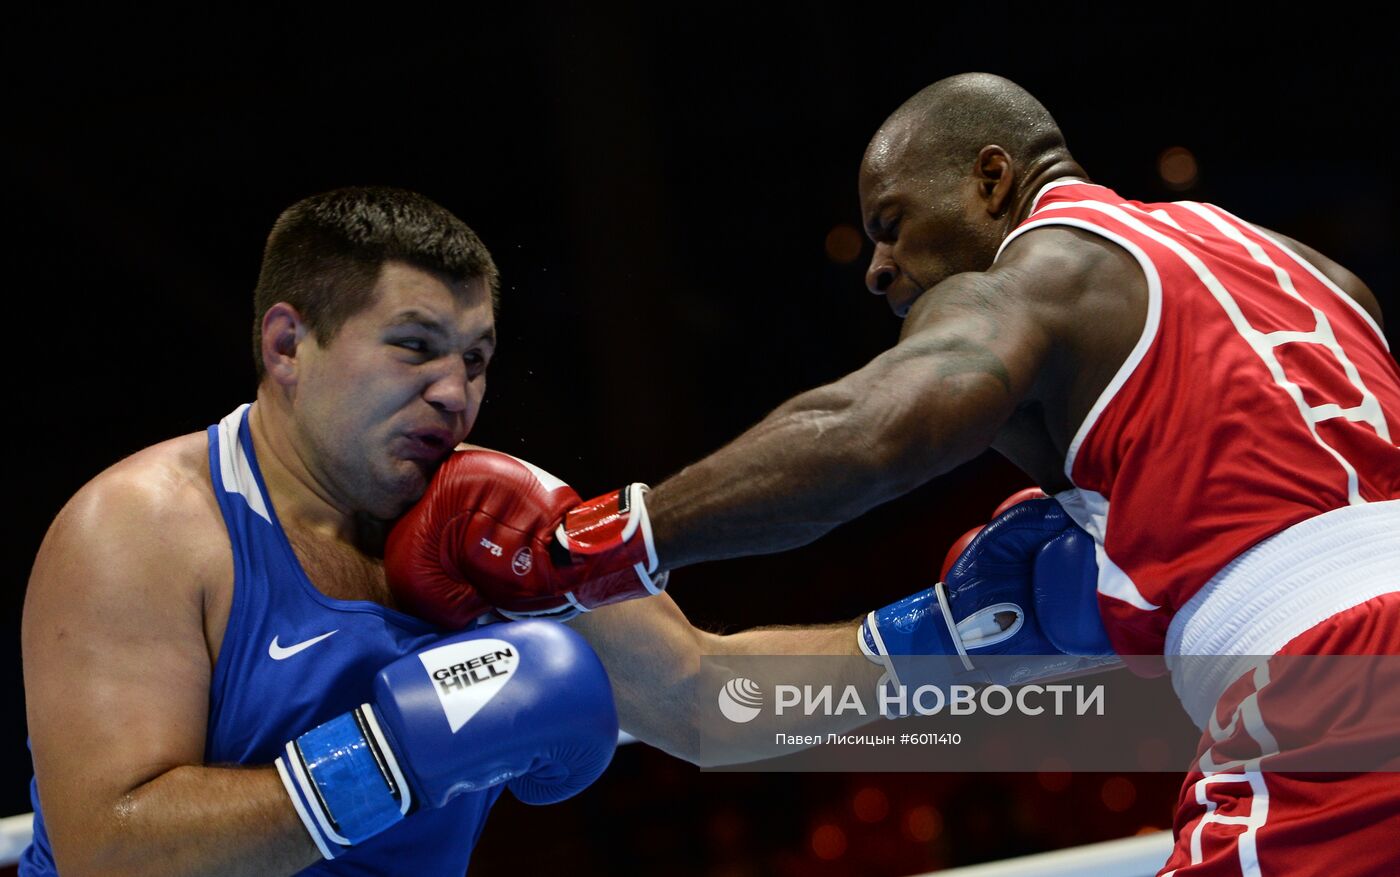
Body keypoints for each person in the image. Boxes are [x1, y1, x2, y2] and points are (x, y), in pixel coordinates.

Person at [404, 74, 1400, 876]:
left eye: (889, 222)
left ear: (991, 180)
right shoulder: (1301, 274)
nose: (875, 268)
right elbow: (722, 703)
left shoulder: (1043, 273)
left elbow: (865, 430)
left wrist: (605, 540)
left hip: (1332, 698)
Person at [19, 188, 624, 876]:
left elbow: (705, 701)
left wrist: (750, 508)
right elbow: (107, 852)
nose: (455, 392)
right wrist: (390, 760)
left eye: (475, 360)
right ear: (287, 347)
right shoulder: (147, 525)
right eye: (415, 346)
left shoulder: (491, 528)